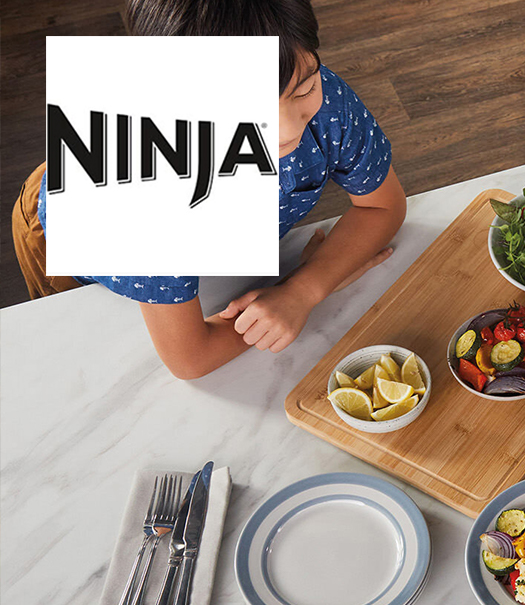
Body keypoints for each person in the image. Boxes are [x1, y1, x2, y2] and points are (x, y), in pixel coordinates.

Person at [11, 0, 406, 379]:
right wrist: (303, 284)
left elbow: (382, 207)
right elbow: (190, 358)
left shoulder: (316, 91)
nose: (288, 129)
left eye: (303, 90)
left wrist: (305, 290)